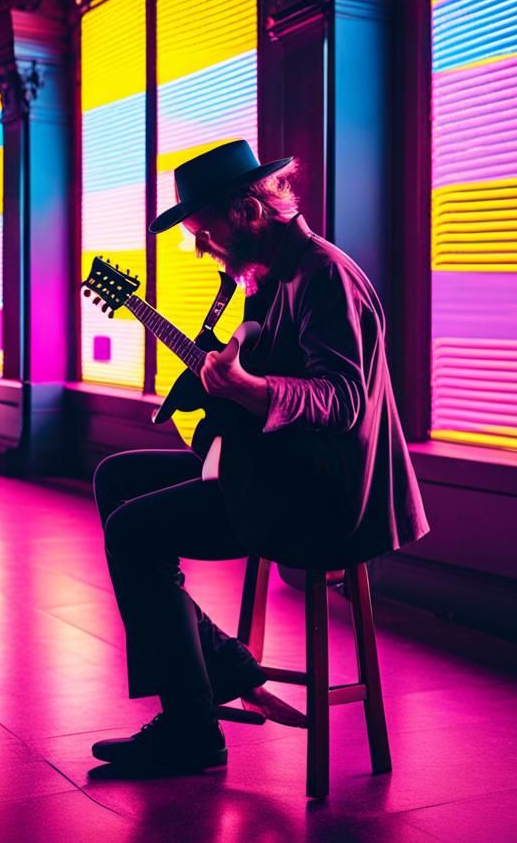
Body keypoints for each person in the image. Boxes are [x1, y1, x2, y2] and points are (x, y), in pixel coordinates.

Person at [90, 140, 430, 775]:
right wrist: (222, 387)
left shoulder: (323, 276)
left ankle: (192, 729)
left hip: (322, 494)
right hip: (279, 468)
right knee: (117, 477)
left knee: (131, 534)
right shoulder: (271, 277)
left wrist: (247, 390)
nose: (200, 247)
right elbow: (261, 376)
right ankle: (221, 667)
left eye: (205, 231)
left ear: (247, 211)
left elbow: (341, 399)